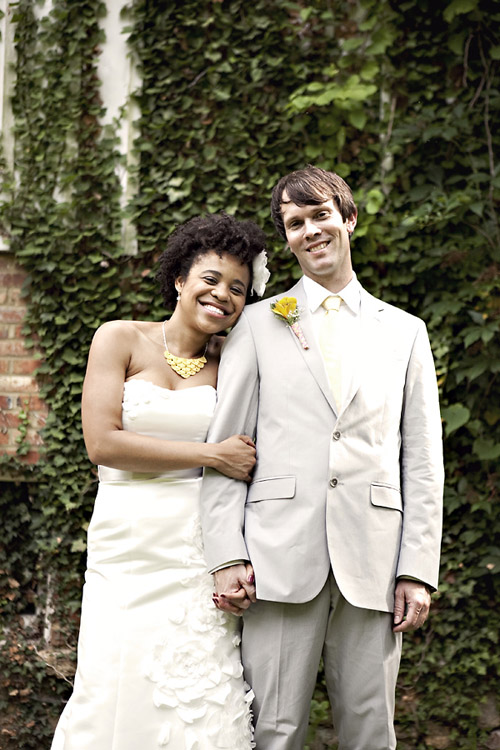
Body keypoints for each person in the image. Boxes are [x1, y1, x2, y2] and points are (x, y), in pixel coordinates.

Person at [200, 166, 444, 750]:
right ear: (285, 237)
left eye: (320, 215)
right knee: (275, 731)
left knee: (370, 729)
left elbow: (423, 461)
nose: (309, 230)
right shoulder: (258, 324)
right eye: (294, 222)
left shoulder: (406, 332)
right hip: (278, 557)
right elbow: (228, 447)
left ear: (348, 219)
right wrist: (225, 554)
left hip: (374, 559)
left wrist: (416, 569)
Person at [51, 212, 270, 750]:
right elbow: (103, 444)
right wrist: (211, 453)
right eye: (212, 279)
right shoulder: (120, 339)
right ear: (179, 279)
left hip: (196, 547)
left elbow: (252, 459)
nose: (223, 295)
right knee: (114, 679)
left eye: (238, 289)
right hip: (125, 543)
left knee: (197, 686)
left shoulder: (237, 363)